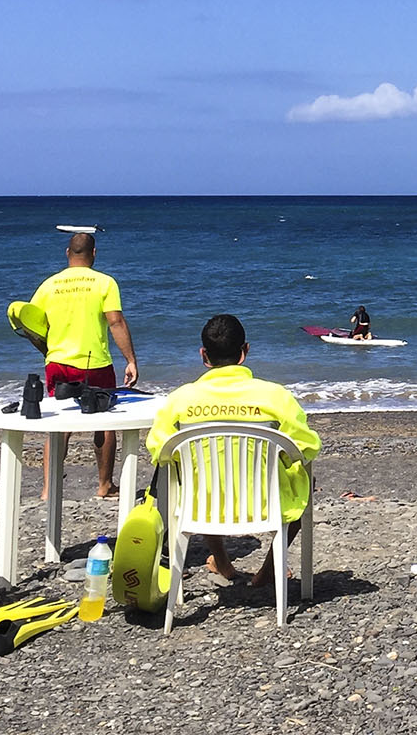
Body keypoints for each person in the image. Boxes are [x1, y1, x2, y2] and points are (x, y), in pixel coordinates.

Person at [147, 314, 321, 587]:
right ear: (245, 351)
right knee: (306, 482)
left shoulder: (180, 398)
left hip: (202, 506)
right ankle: (268, 570)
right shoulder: (275, 395)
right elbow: (308, 446)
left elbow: (160, 449)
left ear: (204, 355)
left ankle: (223, 561)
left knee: (203, 477)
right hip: (266, 503)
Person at [30, 230, 140, 499]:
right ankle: (104, 485)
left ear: (68, 253)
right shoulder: (104, 283)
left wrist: (48, 351)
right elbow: (115, 321)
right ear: (94, 254)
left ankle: (48, 489)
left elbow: (31, 325)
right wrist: (131, 360)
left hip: (57, 363)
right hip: (95, 363)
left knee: (59, 425)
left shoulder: (49, 285)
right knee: (103, 422)